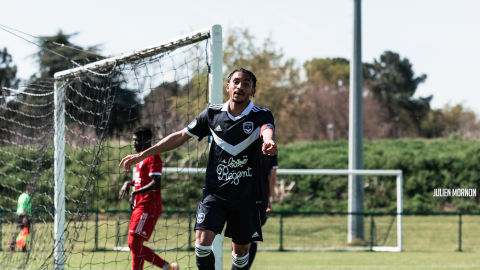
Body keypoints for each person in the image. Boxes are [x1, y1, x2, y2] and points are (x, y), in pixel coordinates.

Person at [119, 68, 277, 270]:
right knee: (201, 244)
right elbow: (180, 135)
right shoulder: (212, 114)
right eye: (236, 82)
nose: (240, 86)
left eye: (246, 83)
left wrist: (269, 141)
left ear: (253, 90)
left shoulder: (261, 115)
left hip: (246, 196)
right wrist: (143, 154)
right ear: (228, 86)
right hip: (215, 194)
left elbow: (267, 129)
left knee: (240, 252)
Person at [118, 126, 179, 270]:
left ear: (146, 140)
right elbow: (142, 181)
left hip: (148, 206)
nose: (133, 143)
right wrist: (129, 183)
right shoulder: (139, 158)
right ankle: (168, 267)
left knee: (134, 243)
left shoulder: (153, 156)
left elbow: (156, 183)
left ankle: (167, 267)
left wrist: (134, 193)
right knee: (134, 244)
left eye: (136, 140)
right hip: (140, 206)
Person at [248, 153, 277, 268]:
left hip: (240, 195)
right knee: (253, 237)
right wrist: (270, 198)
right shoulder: (270, 147)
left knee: (238, 234)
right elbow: (273, 178)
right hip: (261, 197)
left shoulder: (243, 139)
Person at [10, 185, 33, 253]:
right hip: (23, 216)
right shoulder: (27, 196)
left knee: (24, 232)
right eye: (32, 191)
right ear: (29, 190)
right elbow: (23, 206)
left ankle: (23, 248)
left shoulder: (21, 195)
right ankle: (13, 243)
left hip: (20, 215)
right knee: (25, 232)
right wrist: (25, 216)